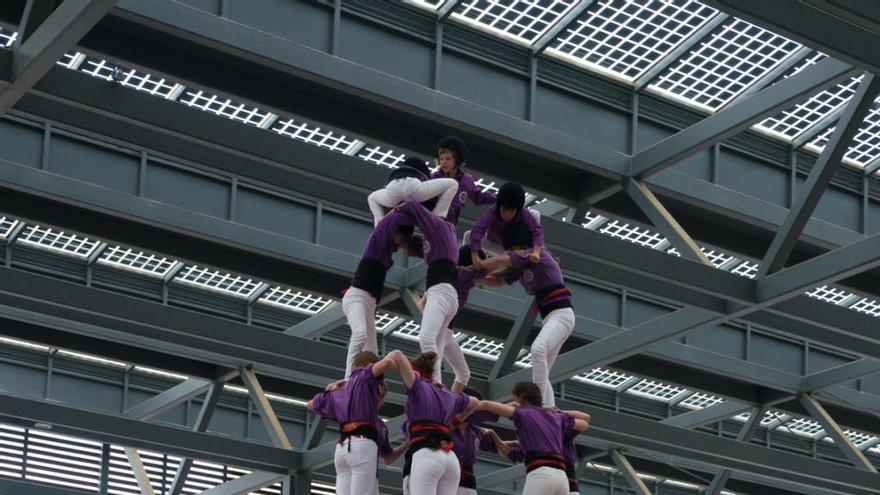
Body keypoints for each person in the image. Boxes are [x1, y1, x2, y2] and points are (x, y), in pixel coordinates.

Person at [480, 222, 574, 407]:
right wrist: (473, 277)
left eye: (509, 248)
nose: (508, 252)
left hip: (561, 315)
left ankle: (542, 408)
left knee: (538, 350)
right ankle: (550, 411)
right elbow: (499, 280)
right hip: (552, 318)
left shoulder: (533, 254)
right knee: (542, 370)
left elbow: (499, 261)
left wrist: (475, 265)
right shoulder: (520, 266)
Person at [307, 351, 409, 495]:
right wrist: (393, 362)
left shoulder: (339, 390)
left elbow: (311, 405)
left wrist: (332, 391)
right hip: (363, 445)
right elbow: (384, 364)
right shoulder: (366, 377)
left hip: (342, 449)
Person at [386, 350, 478, 495]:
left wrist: (383, 365)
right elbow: (475, 403)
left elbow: (397, 354)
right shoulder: (448, 394)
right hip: (450, 459)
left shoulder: (417, 385)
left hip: (426, 454)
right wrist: (454, 421)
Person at [474, 382, 588, 495]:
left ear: (521, 398)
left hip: (540, 473)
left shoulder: (522, 413)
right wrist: (556, 412)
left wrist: (465, 405)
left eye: (515, 400)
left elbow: (486, 405)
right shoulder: (556, 416)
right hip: (562, 478)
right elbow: (584, 423)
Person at [342, 207, 415, 377]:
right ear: (394, 231)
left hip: (369, 303)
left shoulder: (389, 250)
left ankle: (367, 386)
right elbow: (388, 223)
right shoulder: (377, 241)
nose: (401, 242)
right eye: (401, 237)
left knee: (372, 354)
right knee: (359, 334)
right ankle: (348, 380)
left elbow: (415, 246)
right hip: (356, 297)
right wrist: (408, 207)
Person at [398, 199, 461, 382]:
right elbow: (406, 243)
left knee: (426, 338)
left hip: (441, 292)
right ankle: (437, 383)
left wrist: (393, 210)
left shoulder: (440, 226)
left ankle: (433, 382)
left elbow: (411, 204)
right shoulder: (434, 238)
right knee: (436, 346)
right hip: (445, 293)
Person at [466, 182, 543, 267]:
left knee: (535, 214)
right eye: (504, 210)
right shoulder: (493, 211)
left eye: (512, 211)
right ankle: (465, 264)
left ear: (518, 209)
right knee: (468, 235)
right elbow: (477, 230)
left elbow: (537, 230)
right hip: (494, 243)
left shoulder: (523, 213)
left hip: (516, 248)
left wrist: (536, 252)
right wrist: (475, 256)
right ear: (499, 206)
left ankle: (537, 252)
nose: (507, 215)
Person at [368, 157, 458, 227]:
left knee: (371, 198)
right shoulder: (422, 174)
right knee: (453, 184)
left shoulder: (400, 170)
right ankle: (438, 217)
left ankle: (379, 225)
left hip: (393, 188)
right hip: (412, 186)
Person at [449, 388, 507, 495]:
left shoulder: (476, 432)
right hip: (446, 480)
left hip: (468, 484)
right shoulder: (445, 425)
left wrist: (494, 434)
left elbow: (500, 446)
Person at [430, 136, 496, 227]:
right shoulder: (432, 178)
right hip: (430, 220)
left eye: (448, 159)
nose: (444, 162)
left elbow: (479, 197)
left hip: (449, 225)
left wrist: (499, 198)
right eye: (441, 158)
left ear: (458, 161)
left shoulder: (466, 181)